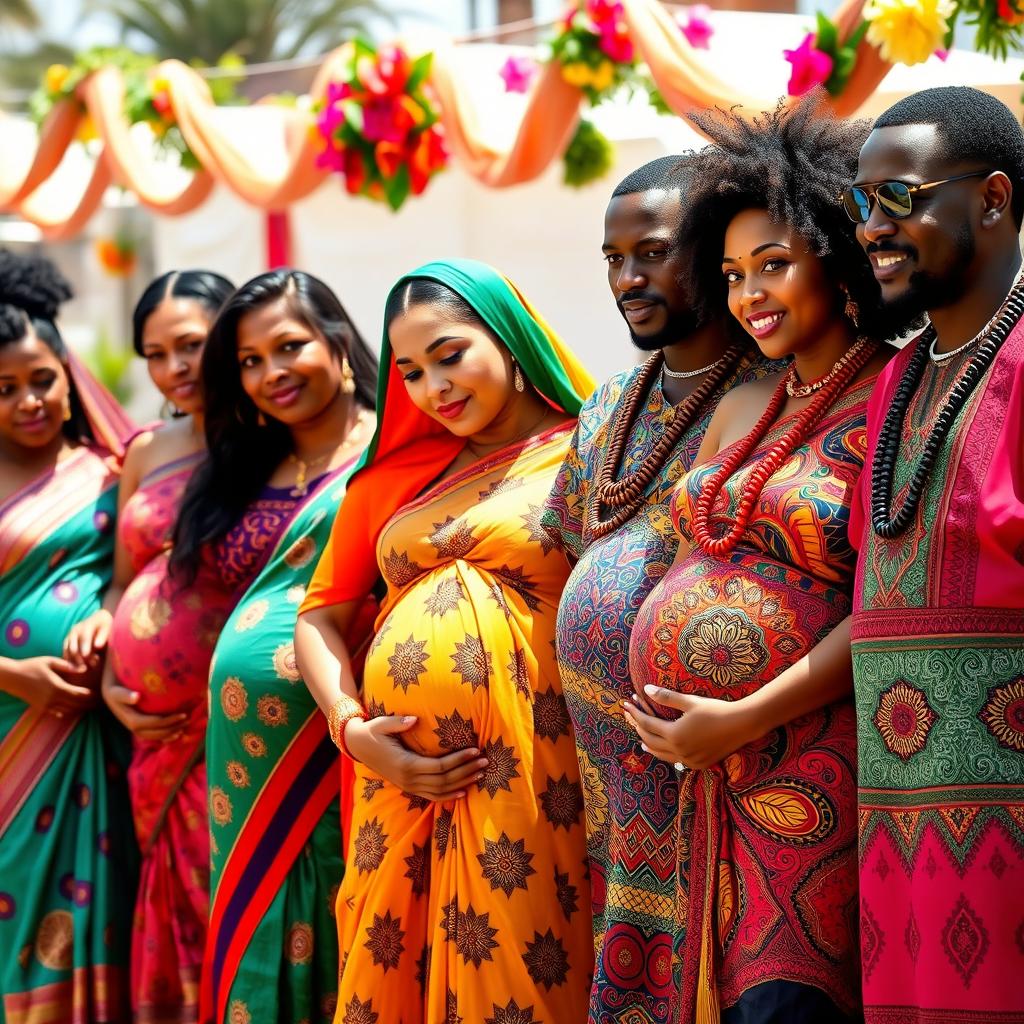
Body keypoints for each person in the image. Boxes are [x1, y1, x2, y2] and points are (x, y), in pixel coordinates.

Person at [621, 98, 894, 1023]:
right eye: (733, 274)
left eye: (773, 266)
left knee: (784, 1005)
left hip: (811, 766)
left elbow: (888, 607)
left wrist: (743, 714)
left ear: (839, 254)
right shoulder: (745, 402)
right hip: (693, 777)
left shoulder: (894, 394)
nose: (750, 296)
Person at [295, 258, 595, 1024]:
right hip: (396, 783)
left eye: (450, 354)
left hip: (536, 776)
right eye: (411, 372)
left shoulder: (593, 452)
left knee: (526, 981)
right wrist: (355, 731)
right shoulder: (397, 478)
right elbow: (320, 616)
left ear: (511, 338)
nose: (435, 387)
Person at [540, 156, 778, 1021]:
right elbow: (570, 548)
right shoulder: (607, 404)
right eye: (612, 258)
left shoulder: (771, 397)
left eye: (651, 252)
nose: (626, 278)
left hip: (714, 779)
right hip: (611, 792)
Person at [845, 86, 1024, 1024]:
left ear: (991, 201)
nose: (873, 227)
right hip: (895, 857)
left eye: (900, 199)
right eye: (861, 203)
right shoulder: (895, 386)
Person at [166, 269, 378, 1024]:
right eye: (250, 362)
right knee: (257, 926)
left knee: (339, 903)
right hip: (238, 760)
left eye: (288, 347)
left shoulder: (389, 453)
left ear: (340, 342)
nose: (270, 375)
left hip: (341, 737)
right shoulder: (244, 469)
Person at [64, 270, 235, 1024]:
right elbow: (123, 579)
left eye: (192, 345)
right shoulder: (144, 450)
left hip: (234, 729)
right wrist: (106, 659)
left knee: (236, 894)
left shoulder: (272, 447)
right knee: (171, 902)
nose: (176, 369)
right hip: (148, 734)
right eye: (156, 355)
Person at [0, 250, 137, 1021]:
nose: (29, 402)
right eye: (4, 390)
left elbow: (135, 573)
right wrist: (13, 675)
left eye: (42, 379)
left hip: (89, 743)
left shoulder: (112, 468)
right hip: (8, 730)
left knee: (90, 913)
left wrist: (106, 613)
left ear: (69, 371)